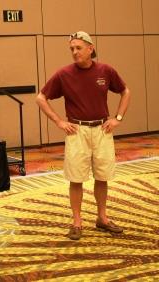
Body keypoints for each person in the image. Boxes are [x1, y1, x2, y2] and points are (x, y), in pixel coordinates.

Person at [36, 31, 131, 240]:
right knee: (76, 179)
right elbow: (41, 97)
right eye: (71, 48)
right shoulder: (64, 74)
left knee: (103, 176)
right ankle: (77, 222)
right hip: (77, 131)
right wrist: (59, 121)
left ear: (90, 48)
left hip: (102, 130)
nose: (74, 52)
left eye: (78, 48)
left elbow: (125, 91)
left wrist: (118, 117)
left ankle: (102, 218)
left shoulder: (106, 70)